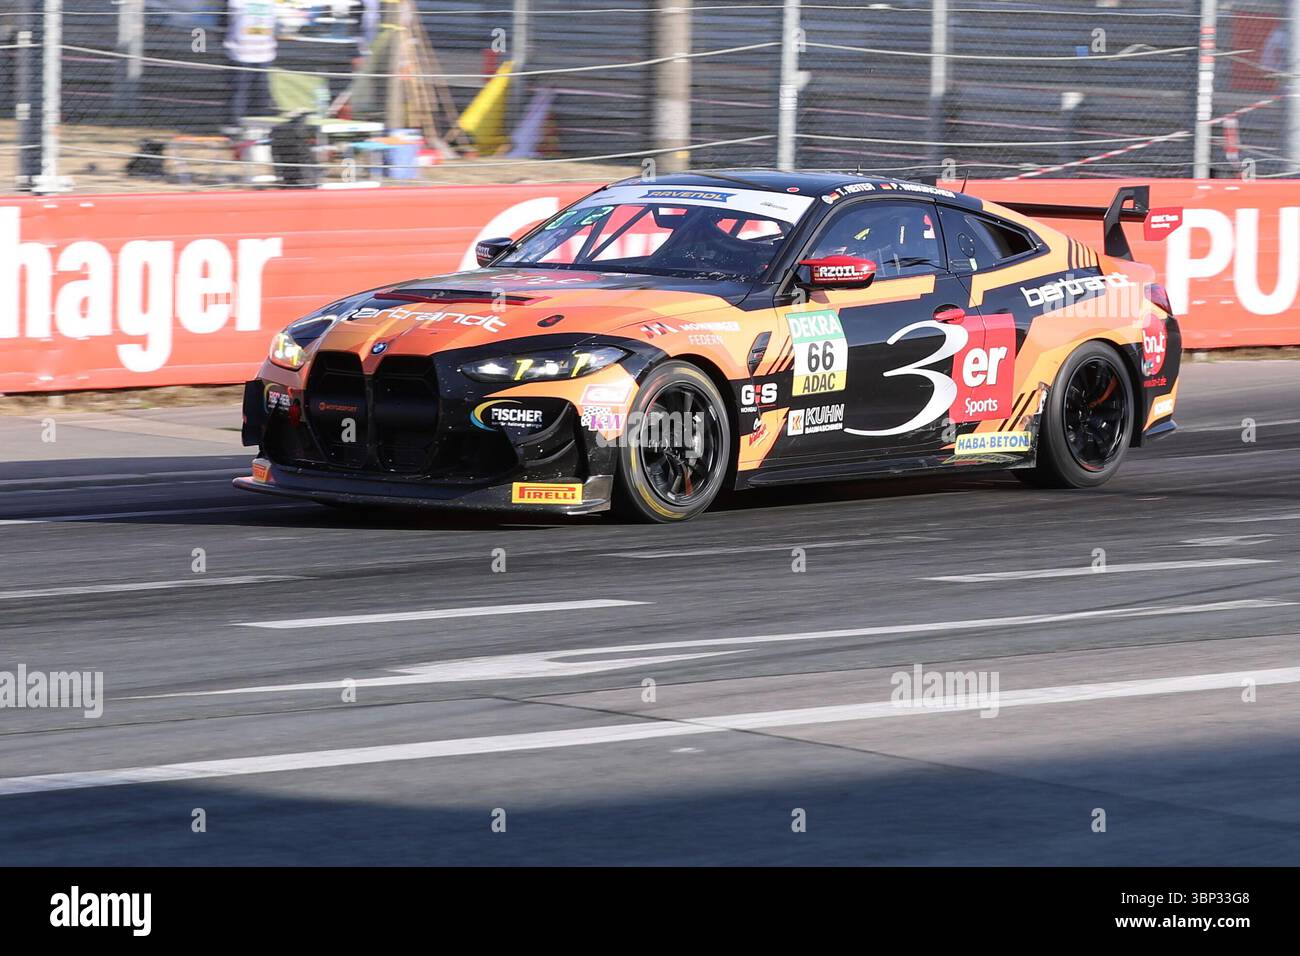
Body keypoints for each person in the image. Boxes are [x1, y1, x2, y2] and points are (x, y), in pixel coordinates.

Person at [223, 0, 279, 128]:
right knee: (243, 93)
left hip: (259, 52)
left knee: (257, 93)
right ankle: (235, 127)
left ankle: (256, 128)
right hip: (244, 52)